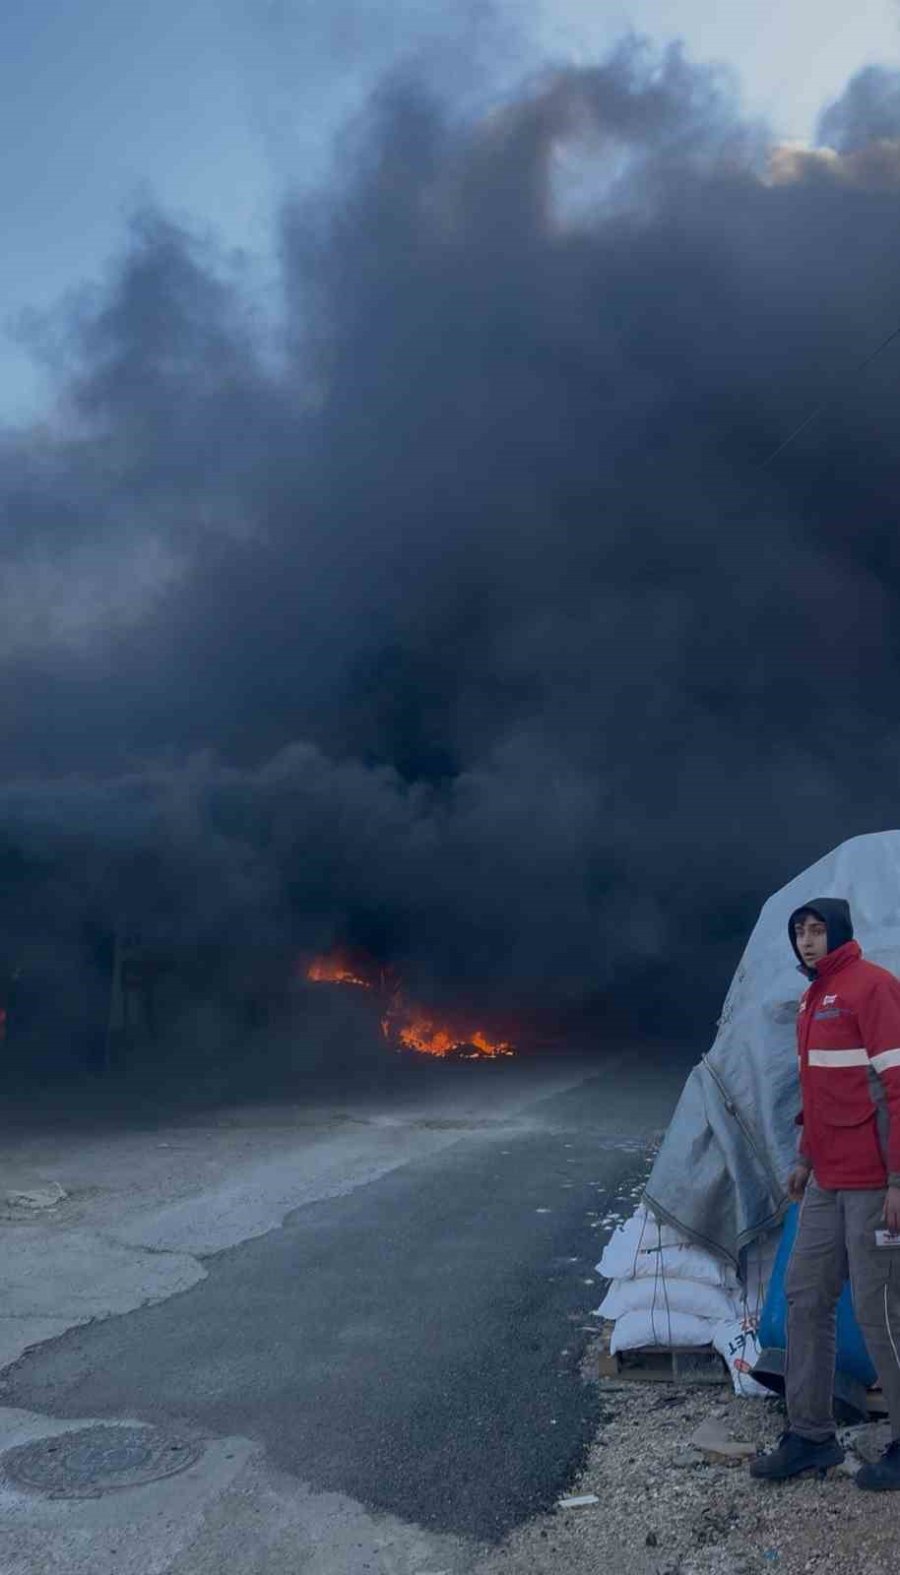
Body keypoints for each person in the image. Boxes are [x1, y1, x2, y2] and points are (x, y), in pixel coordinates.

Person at [750, 898, 900, 1489]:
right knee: (805, 1298)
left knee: (880, 1312)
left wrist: (898, 1180)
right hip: (826, 1181)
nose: (806, 941)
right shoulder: (811, 1000)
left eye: (816, 931)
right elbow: (819, 1092)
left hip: (873, 1185)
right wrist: (805, 1160)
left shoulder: (873, 988)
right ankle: (811, 1437)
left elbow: (898, 1088)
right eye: (798, 932)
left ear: (837, 933)